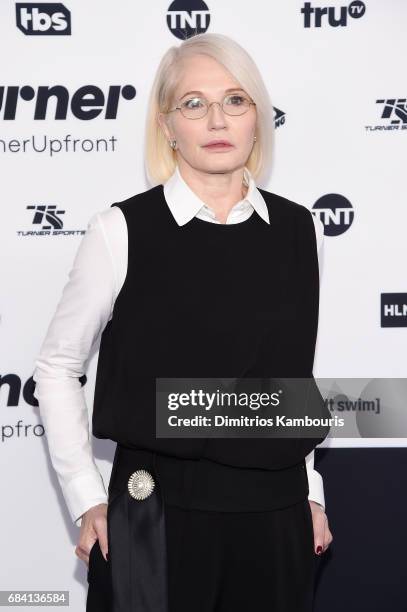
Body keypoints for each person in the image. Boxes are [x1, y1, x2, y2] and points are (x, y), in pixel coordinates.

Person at [33, 32, 333, 612]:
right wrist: (88, 498)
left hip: (276, 515)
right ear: (167, 125)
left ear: (257, 120)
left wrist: (311, 493)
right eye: (194, 103)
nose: (217, 118)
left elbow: (293, 375)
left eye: (235, 100)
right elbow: (57, 365)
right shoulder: (119, 230)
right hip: (156, 512)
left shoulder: (302, 230)